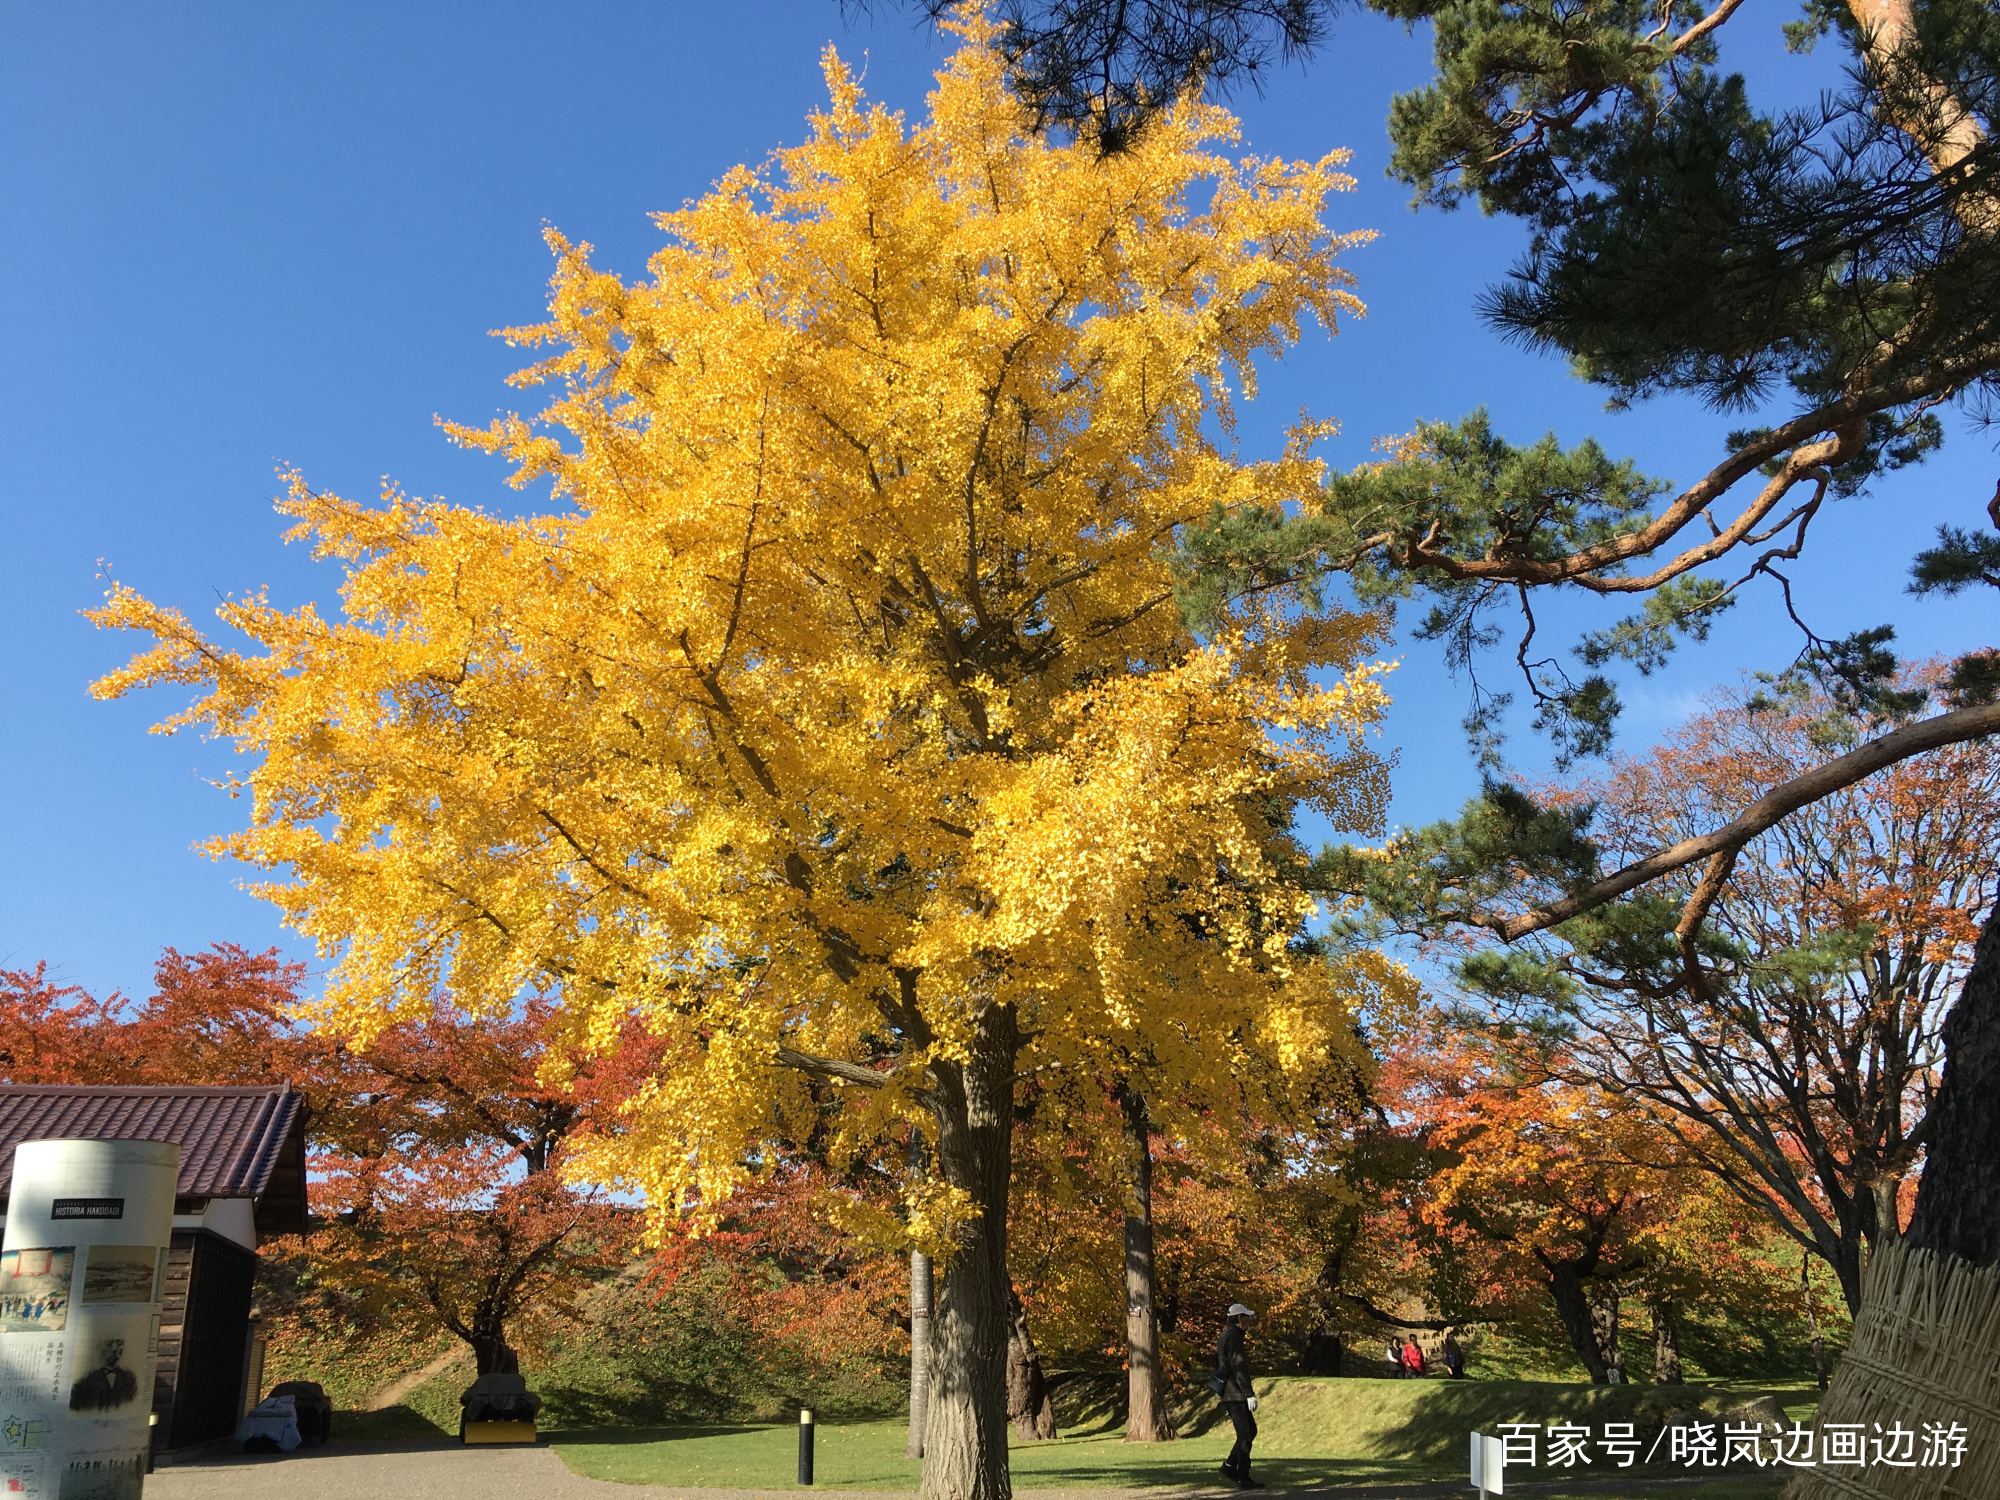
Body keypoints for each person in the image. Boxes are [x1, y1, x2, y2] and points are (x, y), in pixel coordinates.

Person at [1214, 1303, 1262, 1490]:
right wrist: (1249, 1394)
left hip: (1232, 1391)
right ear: (1239, 1318)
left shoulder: (1229, 1335)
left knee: (1250, 1431)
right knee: (1245, 1435)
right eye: (1247, 1316)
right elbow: (1238, 1366)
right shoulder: (1233, 1337)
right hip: (1235, 1393)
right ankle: (1242, 1476)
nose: (1249, 1320)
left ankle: (1229, 1466)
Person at [69, 1337, 138, 1412]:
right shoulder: (84, 1382)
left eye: (119, 1343)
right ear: (97, 1346)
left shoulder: (130, 1379)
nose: (114, 1349)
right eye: (108, 1344)